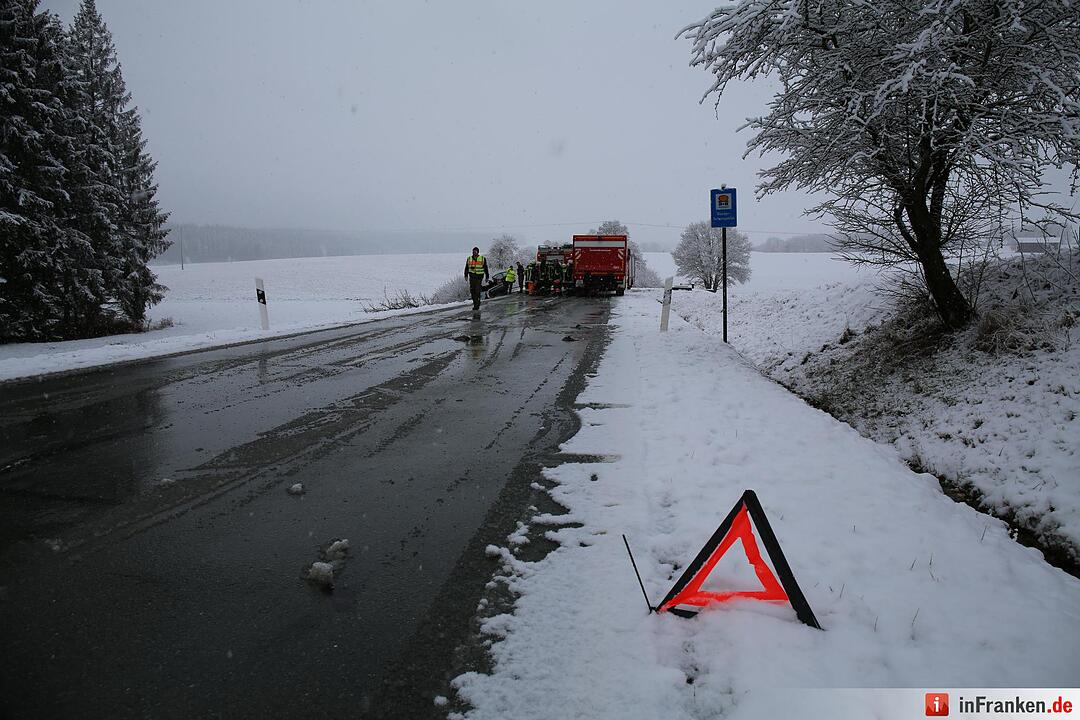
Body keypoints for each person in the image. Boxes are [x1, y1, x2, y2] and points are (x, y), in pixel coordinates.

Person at [464, 247, 489, 312]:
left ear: (478, 252)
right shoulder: (469, 258)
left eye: (475, 251)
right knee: (472, 291)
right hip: (472, 276)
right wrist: (466, 275)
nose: (474, 252)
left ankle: (477, 303)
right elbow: (466, 268)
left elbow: (485, 268)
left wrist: (487, 276)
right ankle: (475, 303)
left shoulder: (482, 258)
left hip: (479, 276)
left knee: (477, 290)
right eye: (473, 251)